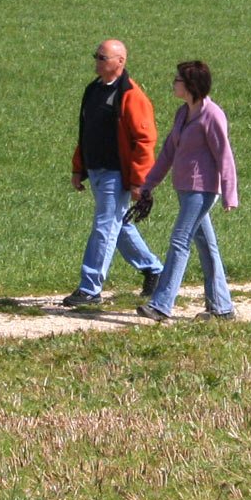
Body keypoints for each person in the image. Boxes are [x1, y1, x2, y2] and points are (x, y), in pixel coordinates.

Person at [134, 60, 238, 322]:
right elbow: (169, 151)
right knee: (206, 246)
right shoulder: (183, 113)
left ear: (191, 85)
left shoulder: (212, 114)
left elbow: (224, 155)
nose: (174, 83)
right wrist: (149, 184)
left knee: (179, 241)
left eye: (178, 79)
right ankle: (222, 308)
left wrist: (229, 193)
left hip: (202, 190)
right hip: (184, 187)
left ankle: (161, 304)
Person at [63, 39, 164, 307]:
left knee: (105, 226)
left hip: (116, 173)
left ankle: (90, 288)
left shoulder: (132, 95)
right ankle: (155, 270)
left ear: (120, 62)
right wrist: (78, 167)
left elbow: (145, 141)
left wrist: (139, 182)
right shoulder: (94, 90)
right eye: (96, 56)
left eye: (102, 57)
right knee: (117, 224)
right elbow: (85, 132)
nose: (96, 61)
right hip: (96, 169)